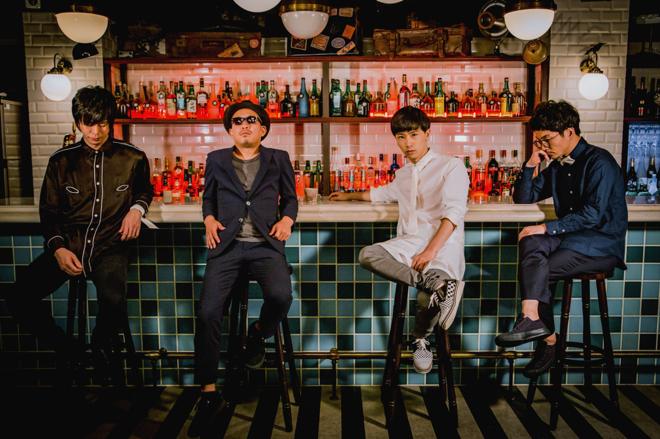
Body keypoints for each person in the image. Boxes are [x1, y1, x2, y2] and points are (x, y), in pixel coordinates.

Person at [6, 85, 152, 385]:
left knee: (113, 299)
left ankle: (100, 348)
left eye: (102, 124)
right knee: (19, 296)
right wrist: (58, 249)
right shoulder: (61, 161)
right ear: (77, 123)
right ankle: (69, 349)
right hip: (68, 247)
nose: (96, 132)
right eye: (88, 123)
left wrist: (137, 209)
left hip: (110, 246)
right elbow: (49, 212)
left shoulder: (133, 158)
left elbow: (144, 190)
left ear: (111, 122)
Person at [329, 106, 469, 374]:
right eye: (401, 137)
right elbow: (382, 194)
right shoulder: (403, 174)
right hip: (409, 243)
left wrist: (430, 252)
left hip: (443, 246)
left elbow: (453, 214)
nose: (408, 143)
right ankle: (436, 285)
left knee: (425, 300)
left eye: (413, 135)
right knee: (368, 255)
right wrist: (349, 195)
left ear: (427, 133)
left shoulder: (451, 166)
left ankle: (420, 338)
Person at [495, 100, 627, 379]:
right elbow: (524, 197)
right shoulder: (556, 165)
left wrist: (546, 227)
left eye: (546, 139)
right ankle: (534, 321)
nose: (543, 146)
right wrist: (531, 164)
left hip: (600, 245)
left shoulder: (600, 162)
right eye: (538, 141)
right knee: (530, 241)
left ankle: (547, 341)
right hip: (570, 240)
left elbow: (592, 214)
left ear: (569, 131)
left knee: (540, 266)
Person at [189, 101, 298, 436]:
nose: (245, 125)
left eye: (252, 120)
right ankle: (209, 393)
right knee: (208, 312)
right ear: (229, 129)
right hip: (227, 246)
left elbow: (291, 199)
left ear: (263, 128)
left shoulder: (278, 158)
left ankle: (257, 333)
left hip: (266, 245)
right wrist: (208, 218)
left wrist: (287, 220)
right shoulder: (216, 159)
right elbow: (208, 198)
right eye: (237, 121)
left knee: (281, 296)